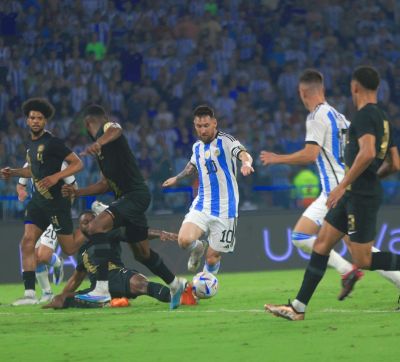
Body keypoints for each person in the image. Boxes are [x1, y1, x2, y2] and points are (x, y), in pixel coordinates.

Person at [265, 66, 400, 321]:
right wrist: (370, 177)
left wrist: (343, 185)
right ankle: (298, 307)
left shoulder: (341, 116)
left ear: (355, 87)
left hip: (349, 190)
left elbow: (365, 153)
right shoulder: (368, 118)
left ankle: (351, 272)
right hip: (348, 189)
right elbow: (394, 163)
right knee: (321, 243)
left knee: (363, 257)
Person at [62, 104, 186, 309]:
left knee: (94, 227)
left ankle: (101, 289)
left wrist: (99, 142)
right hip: (128, 201)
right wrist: (78, 192)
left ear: (86, 123)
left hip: (134, 196)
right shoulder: (102, 152)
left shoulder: (106, 130)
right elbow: (105, 184)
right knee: (142, 254)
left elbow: (117, 129)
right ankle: (175, 284)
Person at [0, 98, 84, 305]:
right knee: (27, 242)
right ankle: (30, 294)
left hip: (57, 204)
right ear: (27, 121)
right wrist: (14, 172)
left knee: (70, 249)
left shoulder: (53, 143)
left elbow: (78, 163)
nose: (35, 121)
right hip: (38, 203)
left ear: (45, 121)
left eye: (39, 118)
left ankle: (92, 227)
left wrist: (56, 177)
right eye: (32, 118)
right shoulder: (31, 145)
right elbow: (32, 171)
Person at [162, 105, 254, 281]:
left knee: (212, 257)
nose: (202, 130)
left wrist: (246, 164)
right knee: (184, 240)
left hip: (226, 207)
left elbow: (243, 153)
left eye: (206, 125)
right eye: (198, 126)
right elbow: (192, 166)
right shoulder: (197, 147)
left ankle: (204, 286)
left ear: (214, 123)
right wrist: (177, 178)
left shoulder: (226, 141)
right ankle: (197, 248)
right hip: (203, 204)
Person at [42, 210, 172, 309]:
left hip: (118, 277)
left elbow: (134, 233)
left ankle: (177, 295)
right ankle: (111, 301)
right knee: (59, 300)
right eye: (84, 223)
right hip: (96, 290)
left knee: (140, 284)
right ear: (80, 228)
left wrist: (159, 233)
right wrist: (62, 296)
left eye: (92, 221)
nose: (88, 225)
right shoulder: (82, 251)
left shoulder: (109, 233)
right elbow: (77, 278)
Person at [16, 161, 78, 303]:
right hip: (38, 213)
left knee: (43, 256)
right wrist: (21, 191)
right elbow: (21, 184)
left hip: (55, 213)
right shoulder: (28, 164)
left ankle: (56, 262)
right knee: (33, 254)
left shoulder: (60, 163)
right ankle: (47, 292)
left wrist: (66, 205)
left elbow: (74, 187)